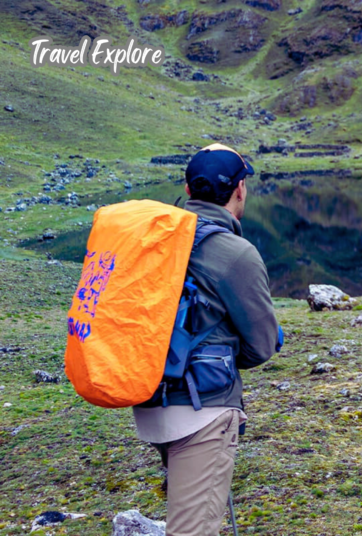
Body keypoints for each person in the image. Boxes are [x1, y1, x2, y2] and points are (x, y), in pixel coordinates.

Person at [132, 143, 281, 535]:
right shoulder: (235, 252)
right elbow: (261, 346)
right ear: (241, 189)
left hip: (147, 398)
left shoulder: (152, 237)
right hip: (203, 412)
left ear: (187, 187)